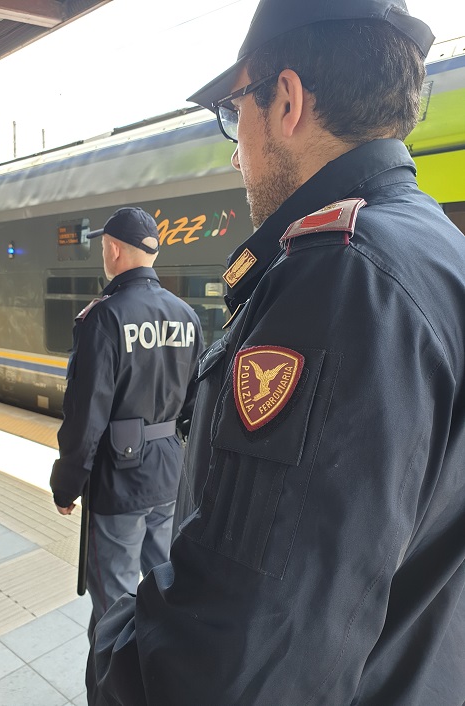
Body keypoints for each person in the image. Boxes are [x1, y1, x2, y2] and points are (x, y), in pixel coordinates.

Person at [87, 2, 465, 704]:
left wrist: (111, 638)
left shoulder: (343, 280)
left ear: (286, 102)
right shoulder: (441, 250)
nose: (237, 151)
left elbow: (239, 663)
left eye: (238, 114)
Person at [50, 206, 204, 637]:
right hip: (168, 474)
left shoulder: (104, 317)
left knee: (114, 606)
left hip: (118, 483)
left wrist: (67, 485)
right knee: (166, 590)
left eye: (103, 246)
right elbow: (192, 404)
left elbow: (86, 418)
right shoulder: (186, 316)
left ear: (115, 250)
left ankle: (110, 693)